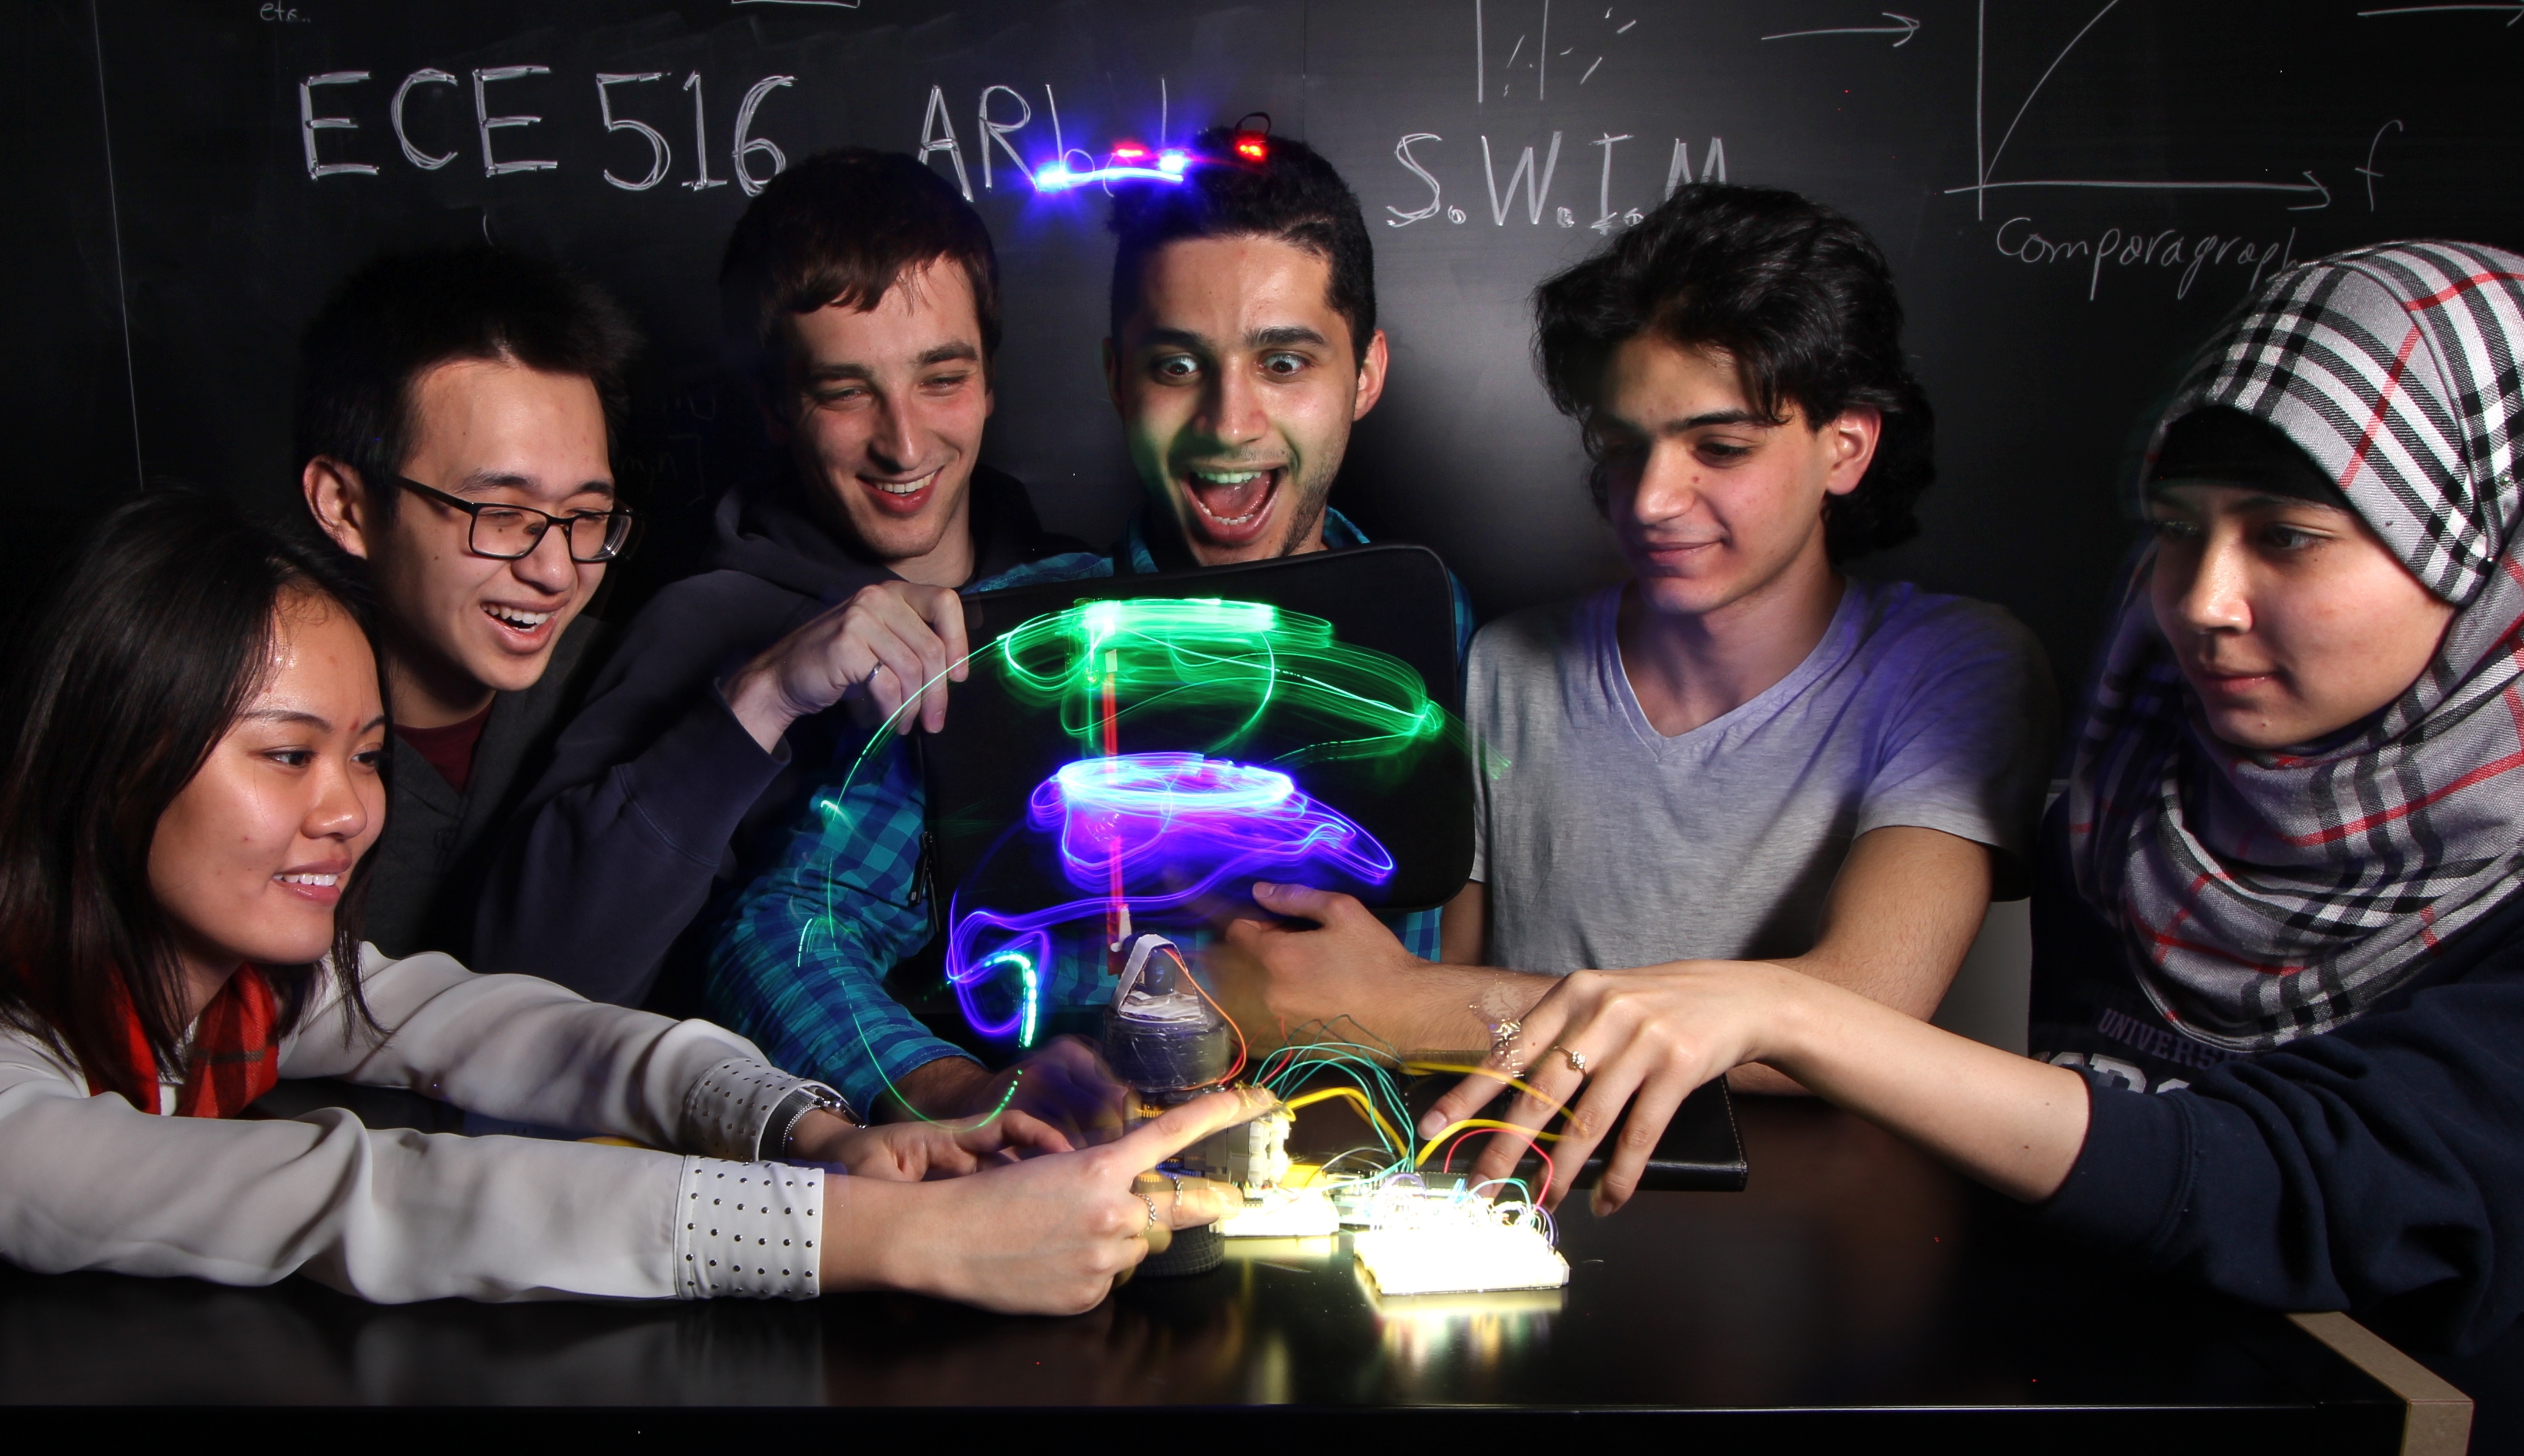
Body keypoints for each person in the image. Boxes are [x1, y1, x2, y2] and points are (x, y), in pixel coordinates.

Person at [1408, 241, 2524, 1355]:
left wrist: (1784, 1009)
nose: (2199, 602)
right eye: (2178, 530)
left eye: (2287, 537)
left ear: (2484, 549)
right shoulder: (2143, 792)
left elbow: (2287, 1185)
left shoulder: (1958, 669)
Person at [0, 489, 1252, 1311]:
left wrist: (808, 1131)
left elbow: (509, 1026)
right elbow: (376, 1199)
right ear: (111, 765)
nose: (349, 811)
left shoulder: (244, 987)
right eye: (287, 755)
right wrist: (896, 1236)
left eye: (369, 756)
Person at [706, 126, 1470, 1121]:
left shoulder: (1451, 640)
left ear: (1364, 374)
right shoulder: (1008, 650)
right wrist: (960, 1092)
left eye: (1283, 363)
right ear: (1116, 378)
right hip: (1082, 1195)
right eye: (1177, 366)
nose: (1228, 423)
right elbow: (780, 930)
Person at [1221, 184, 2054, 1093]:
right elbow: (1439, 1032)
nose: (1651, 500)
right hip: (1519, 1173)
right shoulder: (1506, 668)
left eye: (1720, 449)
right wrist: (1405, 1006)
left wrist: (1402, 1004)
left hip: (1814, 1182)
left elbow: (1864, 1021)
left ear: (1846, 447)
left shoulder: (1954, 667)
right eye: (1623, 448)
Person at [475, 149, 1093, 1008]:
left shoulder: (1084, 601)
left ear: (991, 380)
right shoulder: (698, 628)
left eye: (942, 379)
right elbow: (524, 983)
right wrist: (762, 696)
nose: (904, 444)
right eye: (846, 392)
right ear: (775, 409)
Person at [296, 246, 641, 963]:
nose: (555, 571)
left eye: (585, 516)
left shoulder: (631, 687)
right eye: (501, 513)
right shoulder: (240, 740)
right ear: (346, 506)